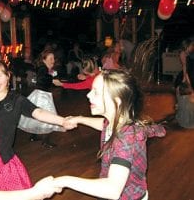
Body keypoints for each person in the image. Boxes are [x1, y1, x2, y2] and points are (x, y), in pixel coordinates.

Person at [0, 59, 75, 191]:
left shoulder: (17, 100)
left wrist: (62, 121)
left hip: (2, 154)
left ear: (8, 76)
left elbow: (38, 112)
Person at [53, 69, 166, 200]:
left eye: (96, 92)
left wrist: (64, 181)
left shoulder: (125, 138)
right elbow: (104, 124)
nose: (89, 95)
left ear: (116, 101)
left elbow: (112, 189)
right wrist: (79, 119)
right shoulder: (118, 120)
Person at [18, 48, 64, 148]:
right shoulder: (43, 69)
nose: (53, 61)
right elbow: (41, 80)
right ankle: (45, 141)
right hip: (42, 96)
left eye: (53, 58)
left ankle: (34, 136)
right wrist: (51, 79)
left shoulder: (45, 68)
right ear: (44, 59)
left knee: (37, 117)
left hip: (42, 94)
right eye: (50, 58)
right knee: (49, 117)